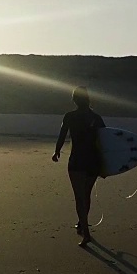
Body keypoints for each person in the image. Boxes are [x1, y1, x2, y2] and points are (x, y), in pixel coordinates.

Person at [52, 86, 105, 247]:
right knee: (86, 195)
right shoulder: (96, 118)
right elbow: (106, 140)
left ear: (74, 99)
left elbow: (62, 135)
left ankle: (86, 234)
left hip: (77, 160)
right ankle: (82, 224)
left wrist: (57, 151)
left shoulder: (70, 116)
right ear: (88, 99)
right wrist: (106, 164)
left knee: (79, 197)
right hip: (93, 161)